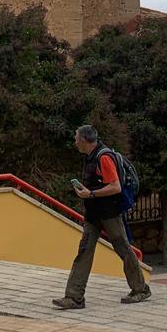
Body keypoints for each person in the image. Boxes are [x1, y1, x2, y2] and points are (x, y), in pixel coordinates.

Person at [52, 125, 150, 310]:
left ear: (84, 140)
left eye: (76, 138)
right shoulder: (91, 157)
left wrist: (90, 194)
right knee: (84, 252)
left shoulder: (103, 157)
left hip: (109, 213)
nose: (74, 141)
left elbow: (115, 187)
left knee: (123, 249)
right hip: (94, 214)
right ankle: (74, 297)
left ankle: (140, 289)